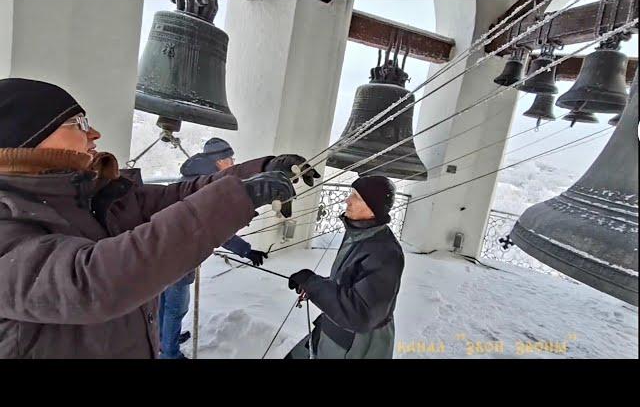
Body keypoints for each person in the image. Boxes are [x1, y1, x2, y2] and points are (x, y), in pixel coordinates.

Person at [0, 78, 317, 359]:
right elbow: (93, 282)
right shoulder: (7, 218)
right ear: (29, 135)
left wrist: (257, 172)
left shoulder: (93, 194)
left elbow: (177, 197)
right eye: (78, 123)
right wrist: (238, 198)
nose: (94, 133)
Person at [158, 138, 269, 359]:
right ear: (220, 161)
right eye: (231, 159)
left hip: (164, 250)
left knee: (163, 300)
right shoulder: (208, 186)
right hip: (179, 256)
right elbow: (214, 226)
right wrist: (245, 250)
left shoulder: (192, 179)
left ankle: (164, 338)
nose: (233, 163)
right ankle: (169, 353)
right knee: (176, 307)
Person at [285, 175, 404, 359]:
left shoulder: (385, 253)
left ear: (372, 208)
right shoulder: (360, 234)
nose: (347, 200)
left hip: (357, 346)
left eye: (356, 197)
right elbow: (349, 285)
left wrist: (314, 284)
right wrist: (313, 285)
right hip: (335, 332)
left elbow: (360, 313)